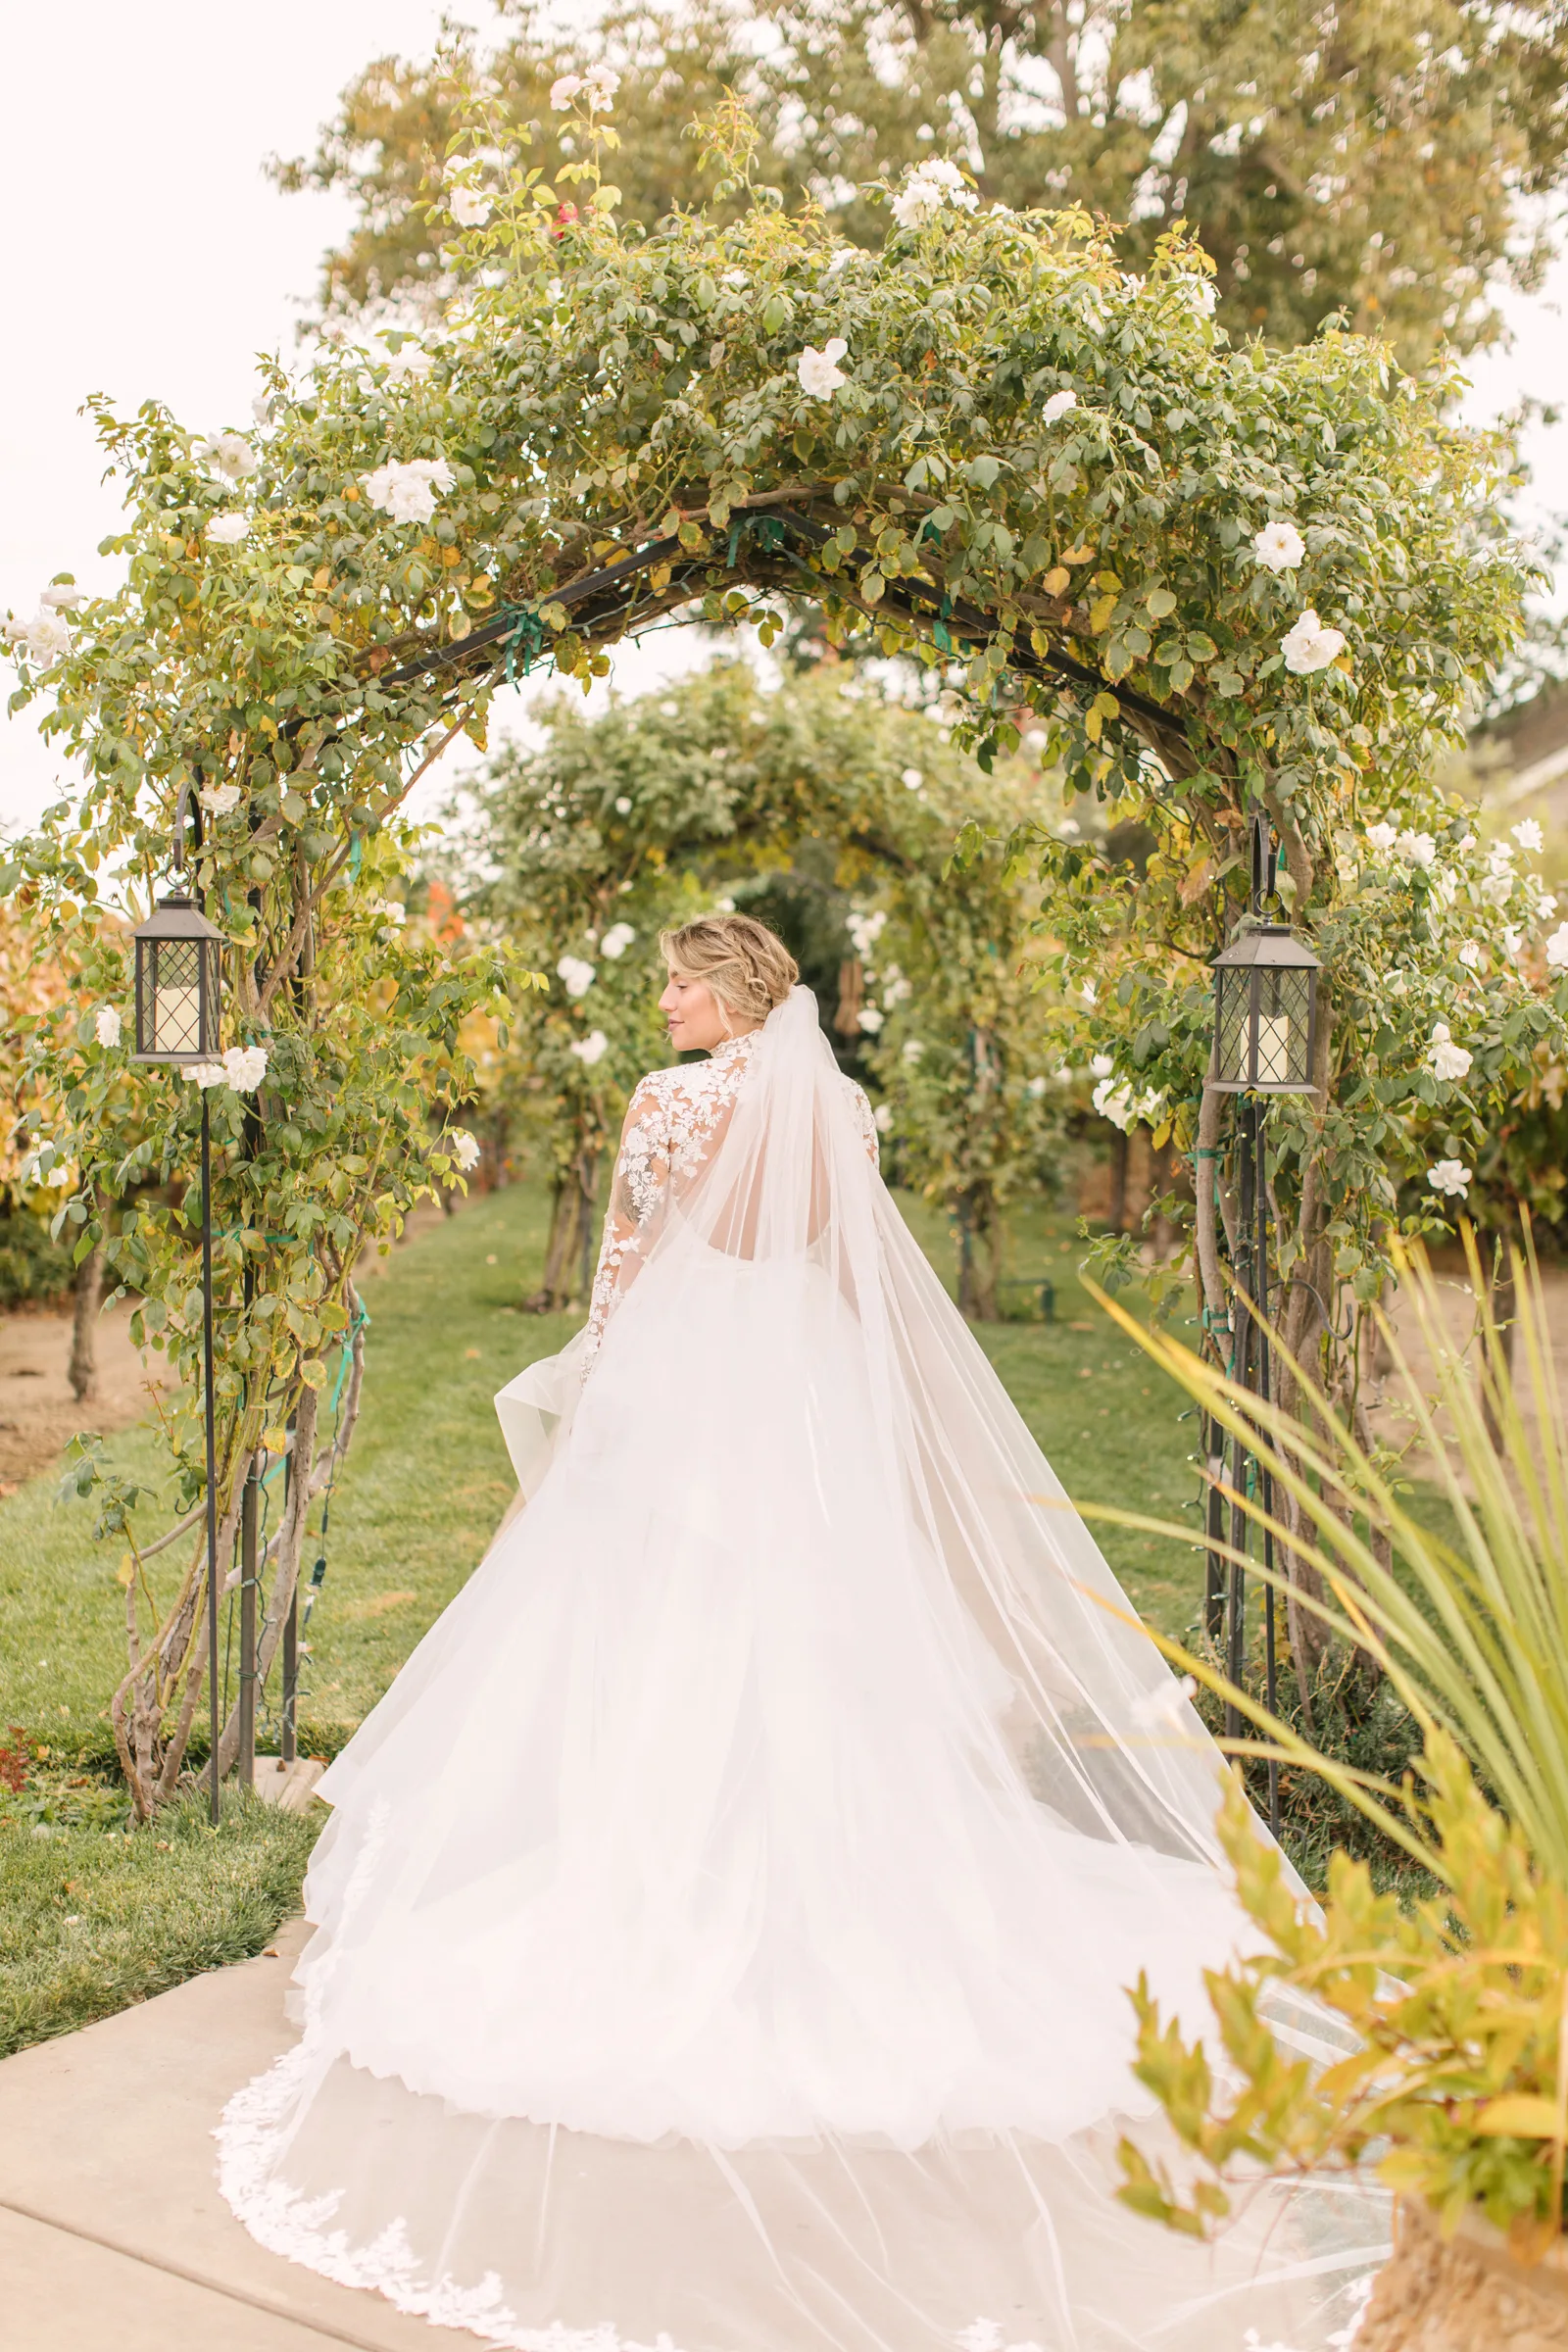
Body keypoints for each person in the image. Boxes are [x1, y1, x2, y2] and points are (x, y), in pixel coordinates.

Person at [219, 913, 1387, 2351]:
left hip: (684, 1374)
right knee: (812, 1624)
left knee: (655, 1617)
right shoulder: (835, 1107)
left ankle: (657, 1853)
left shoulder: (668, 1100)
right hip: (800, 1384)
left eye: (676, 980)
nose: (662, 999)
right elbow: (852, 1266)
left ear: (728, 991)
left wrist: (599, 1386)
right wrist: (853, 1403)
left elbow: (627, 1262)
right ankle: (823, 1855)